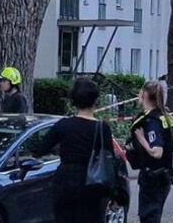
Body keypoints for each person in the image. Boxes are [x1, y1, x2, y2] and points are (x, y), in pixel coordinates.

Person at [36, 77, 115, 223]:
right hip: (92, 183)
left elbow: (40, 149)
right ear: (95, 101)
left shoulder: (63, 125)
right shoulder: (102, 128)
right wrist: (114, 194)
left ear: (73, 100)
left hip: (65, 181)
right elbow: (109, 161)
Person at [125, 80, 173, 223]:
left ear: (144, 94)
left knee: (149, 217)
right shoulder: (163, 116)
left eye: (140, 93)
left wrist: (141, 139)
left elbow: (157, 152)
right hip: (162, 177)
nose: (138, 96)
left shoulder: (152, 121)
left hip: (153, 178)